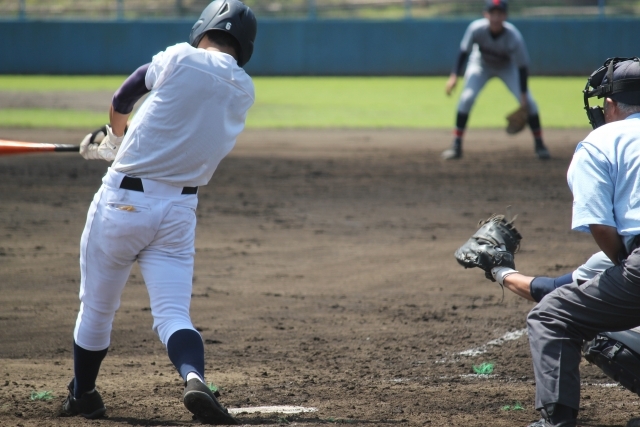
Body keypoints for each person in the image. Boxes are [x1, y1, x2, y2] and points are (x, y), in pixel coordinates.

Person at [60, 0, 256, 424]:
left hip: (123, 204)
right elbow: (178, 126)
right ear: (244, 47)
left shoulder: (180, 56)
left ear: (203, 26)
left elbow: (124, 95)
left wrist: (113, 141)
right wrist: (121, 143)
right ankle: (193, 377)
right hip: (179, 212)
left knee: (96, 310)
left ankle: (85, 395)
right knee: (172, 314)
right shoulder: (245, 89)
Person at [523, 57, 640, 427]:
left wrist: (625, 264)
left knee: (552, 316)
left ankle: (555, 423)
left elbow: (600, 226)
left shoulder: (602, 140)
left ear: (610, 105)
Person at [442, 0, 550, 160]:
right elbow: (464, 52)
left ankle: (540, 145)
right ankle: (456, 145)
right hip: (480, 65)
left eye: (499, 14)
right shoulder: (476, 29)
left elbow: (522, 67)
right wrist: (453, 77)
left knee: (530, 103)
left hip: (507, 67)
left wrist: (523, 96)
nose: (495, 17)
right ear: (486, 14)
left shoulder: (514, 36)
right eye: (492, 13)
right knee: (466, 98)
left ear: (505, 16)